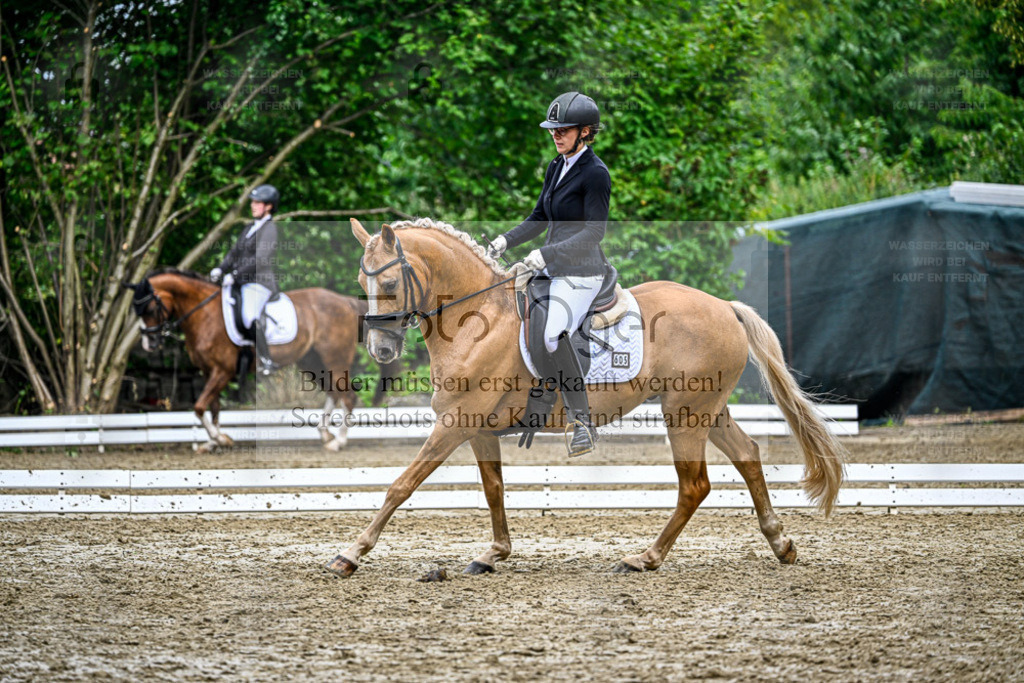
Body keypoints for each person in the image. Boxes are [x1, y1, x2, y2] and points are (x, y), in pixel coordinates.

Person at [488, 91, 611, 457]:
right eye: (553, 130)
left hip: (582, 274)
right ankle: (531, 403)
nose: (556, 135)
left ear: (585, 132)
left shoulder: (596, 174)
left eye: (564, 130)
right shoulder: (556, 166)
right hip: (552, 269)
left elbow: (594, 233)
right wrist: (503, 241)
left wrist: (545, 254)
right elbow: (540, 216)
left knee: (554, 333)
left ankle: (582, 421)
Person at [210, 184, 281, 375]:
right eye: (253, 202)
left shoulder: (270, 228)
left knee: (249, 316)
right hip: (241, 281)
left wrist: (233, 275)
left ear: (268, 206)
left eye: (257, 202)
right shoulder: (250, 227)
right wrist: (220, 268)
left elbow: (260, 259)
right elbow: (234, 253)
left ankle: (266, 360)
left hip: (259, 282)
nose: (253, 205)